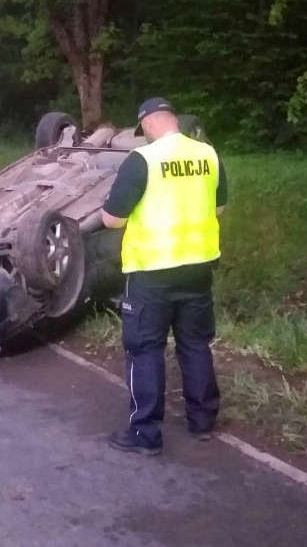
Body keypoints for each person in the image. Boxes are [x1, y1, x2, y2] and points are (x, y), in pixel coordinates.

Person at [101, 97, 227, 456]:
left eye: (144, 131)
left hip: (152, 272)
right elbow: (218, 207)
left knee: (145, 349)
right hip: (199, 268)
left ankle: (145, 435)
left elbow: (113, 219)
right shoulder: (208, 155)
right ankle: (202, 421)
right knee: (195, 343)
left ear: (150, 124)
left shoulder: (143, 160)